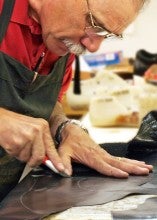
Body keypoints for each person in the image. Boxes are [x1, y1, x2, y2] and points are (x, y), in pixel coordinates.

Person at [0, 0, 153, 201]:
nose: (93, 47)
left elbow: (46, 101)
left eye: (105, 35)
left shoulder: (60, 39)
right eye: (94, 24)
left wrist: (64, 127)